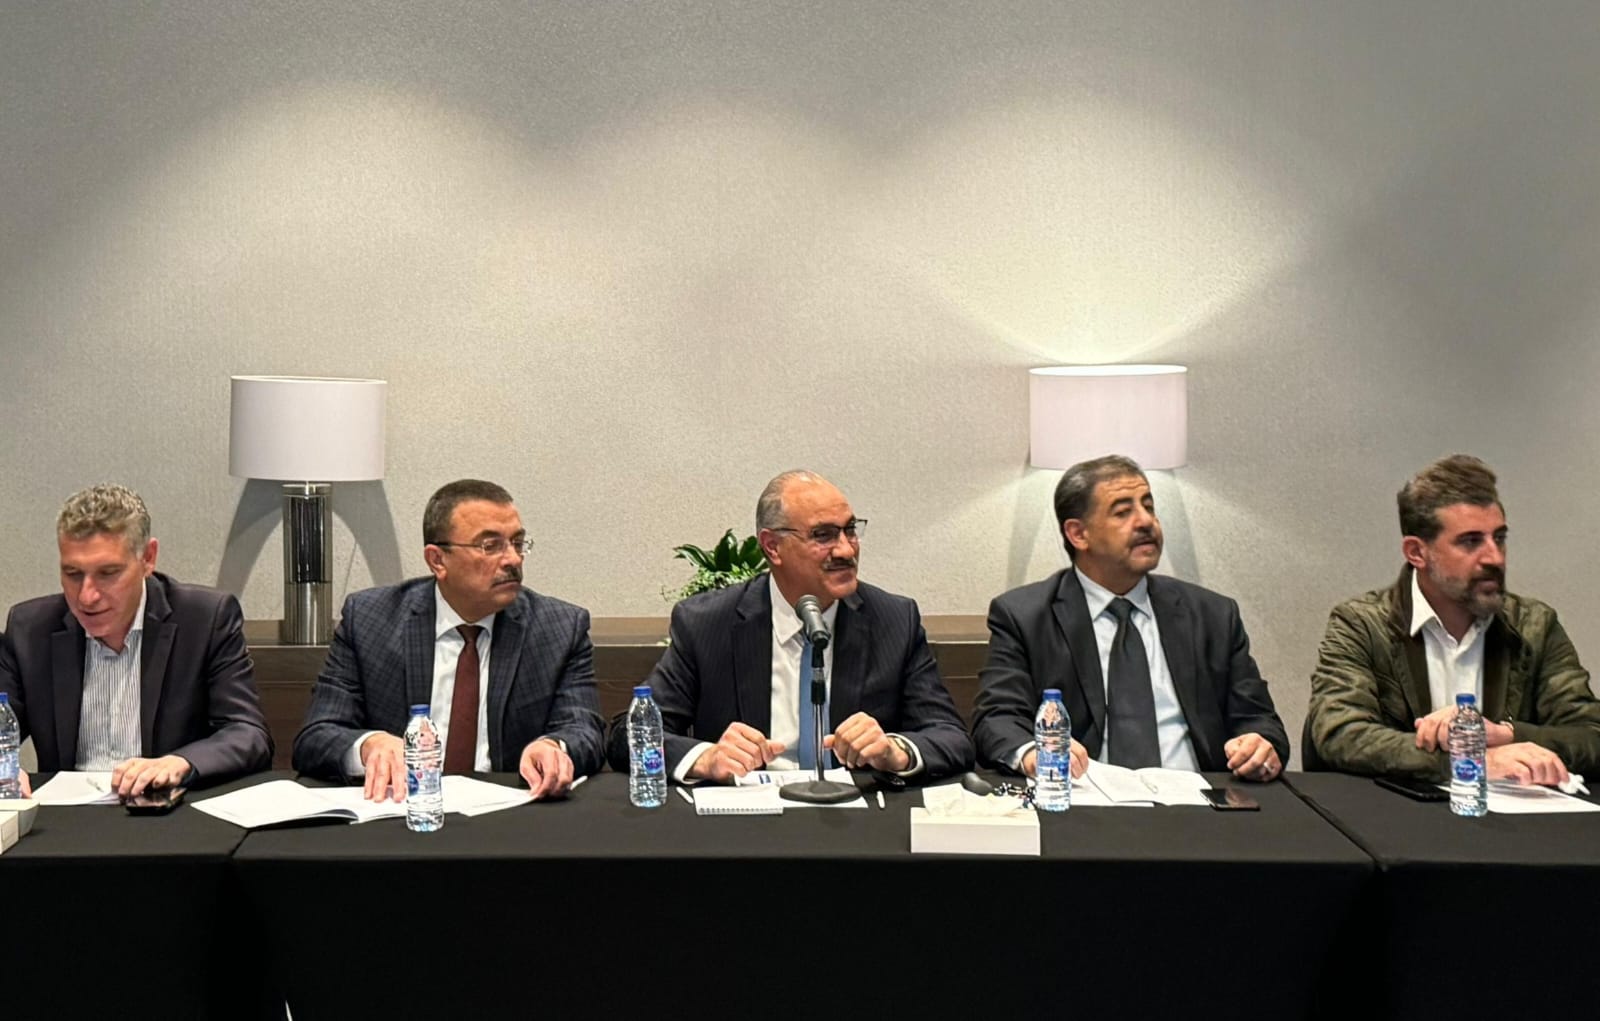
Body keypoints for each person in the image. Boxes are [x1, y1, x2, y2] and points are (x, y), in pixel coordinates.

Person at [605, 470, 973, 782]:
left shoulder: (893, 619)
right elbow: (628, 736)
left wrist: (895, 750)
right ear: (772, 547)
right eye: (823, 535)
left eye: (849, 530)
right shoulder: (707, 623)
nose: (846, 550)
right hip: (749, 824)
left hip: (856, 821)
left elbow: (952, 738)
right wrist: (706, 757)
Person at [972, 455, 1288, 781]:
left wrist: (1260, 744)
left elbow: (1259, 720)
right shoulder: (1025, 617)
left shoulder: (1212, 615)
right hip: (1085, 798)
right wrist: (1034, 753)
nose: (1146, 521)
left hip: (1200, 797)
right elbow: (998, 719)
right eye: (1123, 512)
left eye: (1149, 507)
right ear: (1078, 534)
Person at [293, 479, 603, 801]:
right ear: (437, 560)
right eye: (490, 546)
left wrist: (554, 747)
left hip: (510, 813)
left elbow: (585, 730)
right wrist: (369, 745)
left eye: (517, 542)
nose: (513, 559)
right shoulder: (371, 621)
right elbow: (316, 736)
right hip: (404, 810)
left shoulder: (558, 628)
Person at [1305, 455, 1600, 783]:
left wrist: (1505, 734)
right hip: (1398, 811)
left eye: (1499, 538)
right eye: (1471, 542)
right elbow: (1340, 734)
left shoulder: (1534, 625)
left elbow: (1591, 734)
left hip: (1515, 812)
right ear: (1417, 552)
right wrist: (1470, 759)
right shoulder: (1361, 624)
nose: (1495, 557)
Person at [0, 484, 272, 796]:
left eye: (108, 573)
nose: (87, 596)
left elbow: (248, 733)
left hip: (166, 812)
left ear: (147, 559)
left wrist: (180, 762)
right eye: (73, 574)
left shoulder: (205, 620)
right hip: (65, 816)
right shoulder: (30, 629)